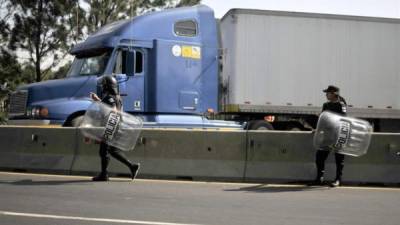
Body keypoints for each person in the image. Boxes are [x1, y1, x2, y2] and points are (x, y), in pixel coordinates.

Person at [90, 75, 140, 181]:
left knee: (104, 151)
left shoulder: (109, 97)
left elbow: (112, 110)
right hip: (116, 125)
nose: (102, 87)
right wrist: (98, 100)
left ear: (107, 86)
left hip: (111, 125)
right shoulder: (117, 97)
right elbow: (110, 106)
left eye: (104, 85)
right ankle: (132, 166)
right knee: (112, 150)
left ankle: (104, 175)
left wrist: (98, 103)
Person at [312, 85, 347, 187]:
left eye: (327, 93)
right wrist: (317, 129)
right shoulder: (326, 105)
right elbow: (322, 120)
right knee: (320, 156)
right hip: (327, 135)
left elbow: (343, 118)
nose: (326, 95)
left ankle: (338, 180)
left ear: (333, 94)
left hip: (339, 134)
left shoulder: (341, 105)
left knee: (339, 158)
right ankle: (319, 178)